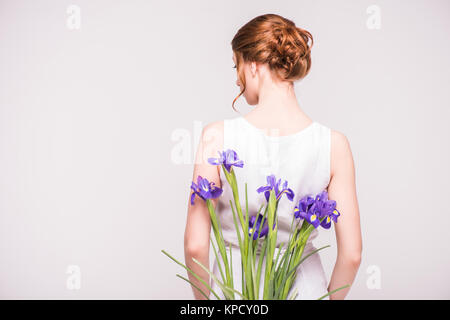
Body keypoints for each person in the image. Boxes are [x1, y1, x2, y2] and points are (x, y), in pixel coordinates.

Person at [184, 13, 362, 300]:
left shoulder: (215, 136)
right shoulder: (334, 144)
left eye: (236, 65)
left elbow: (195, 246)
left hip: (234, 289)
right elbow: (352, 254)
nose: (237, 78)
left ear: (253, 65)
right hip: (304, 288)